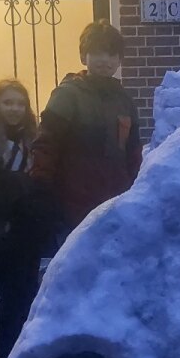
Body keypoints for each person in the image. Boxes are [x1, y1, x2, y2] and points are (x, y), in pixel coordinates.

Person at [0, 78, 55, 358]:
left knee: (28, 295)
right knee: (11, 299)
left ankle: (24, 354)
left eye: (20, 103)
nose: (15, 109)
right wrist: (21, 187)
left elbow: (40, 183)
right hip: (4, 234)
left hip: (29, 233)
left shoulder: (30, 141)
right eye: (8, 103)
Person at [31, 20, 142, 232]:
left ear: (119, 60)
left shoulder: (124, 100)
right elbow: (46, 143)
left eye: (112, 55)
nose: (105, 60)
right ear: (84, 57)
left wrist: (136, 187)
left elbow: (133, 152)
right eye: (98, 53)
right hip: (73, 202)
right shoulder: (67, 95)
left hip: (115, 202)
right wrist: (41, 186)